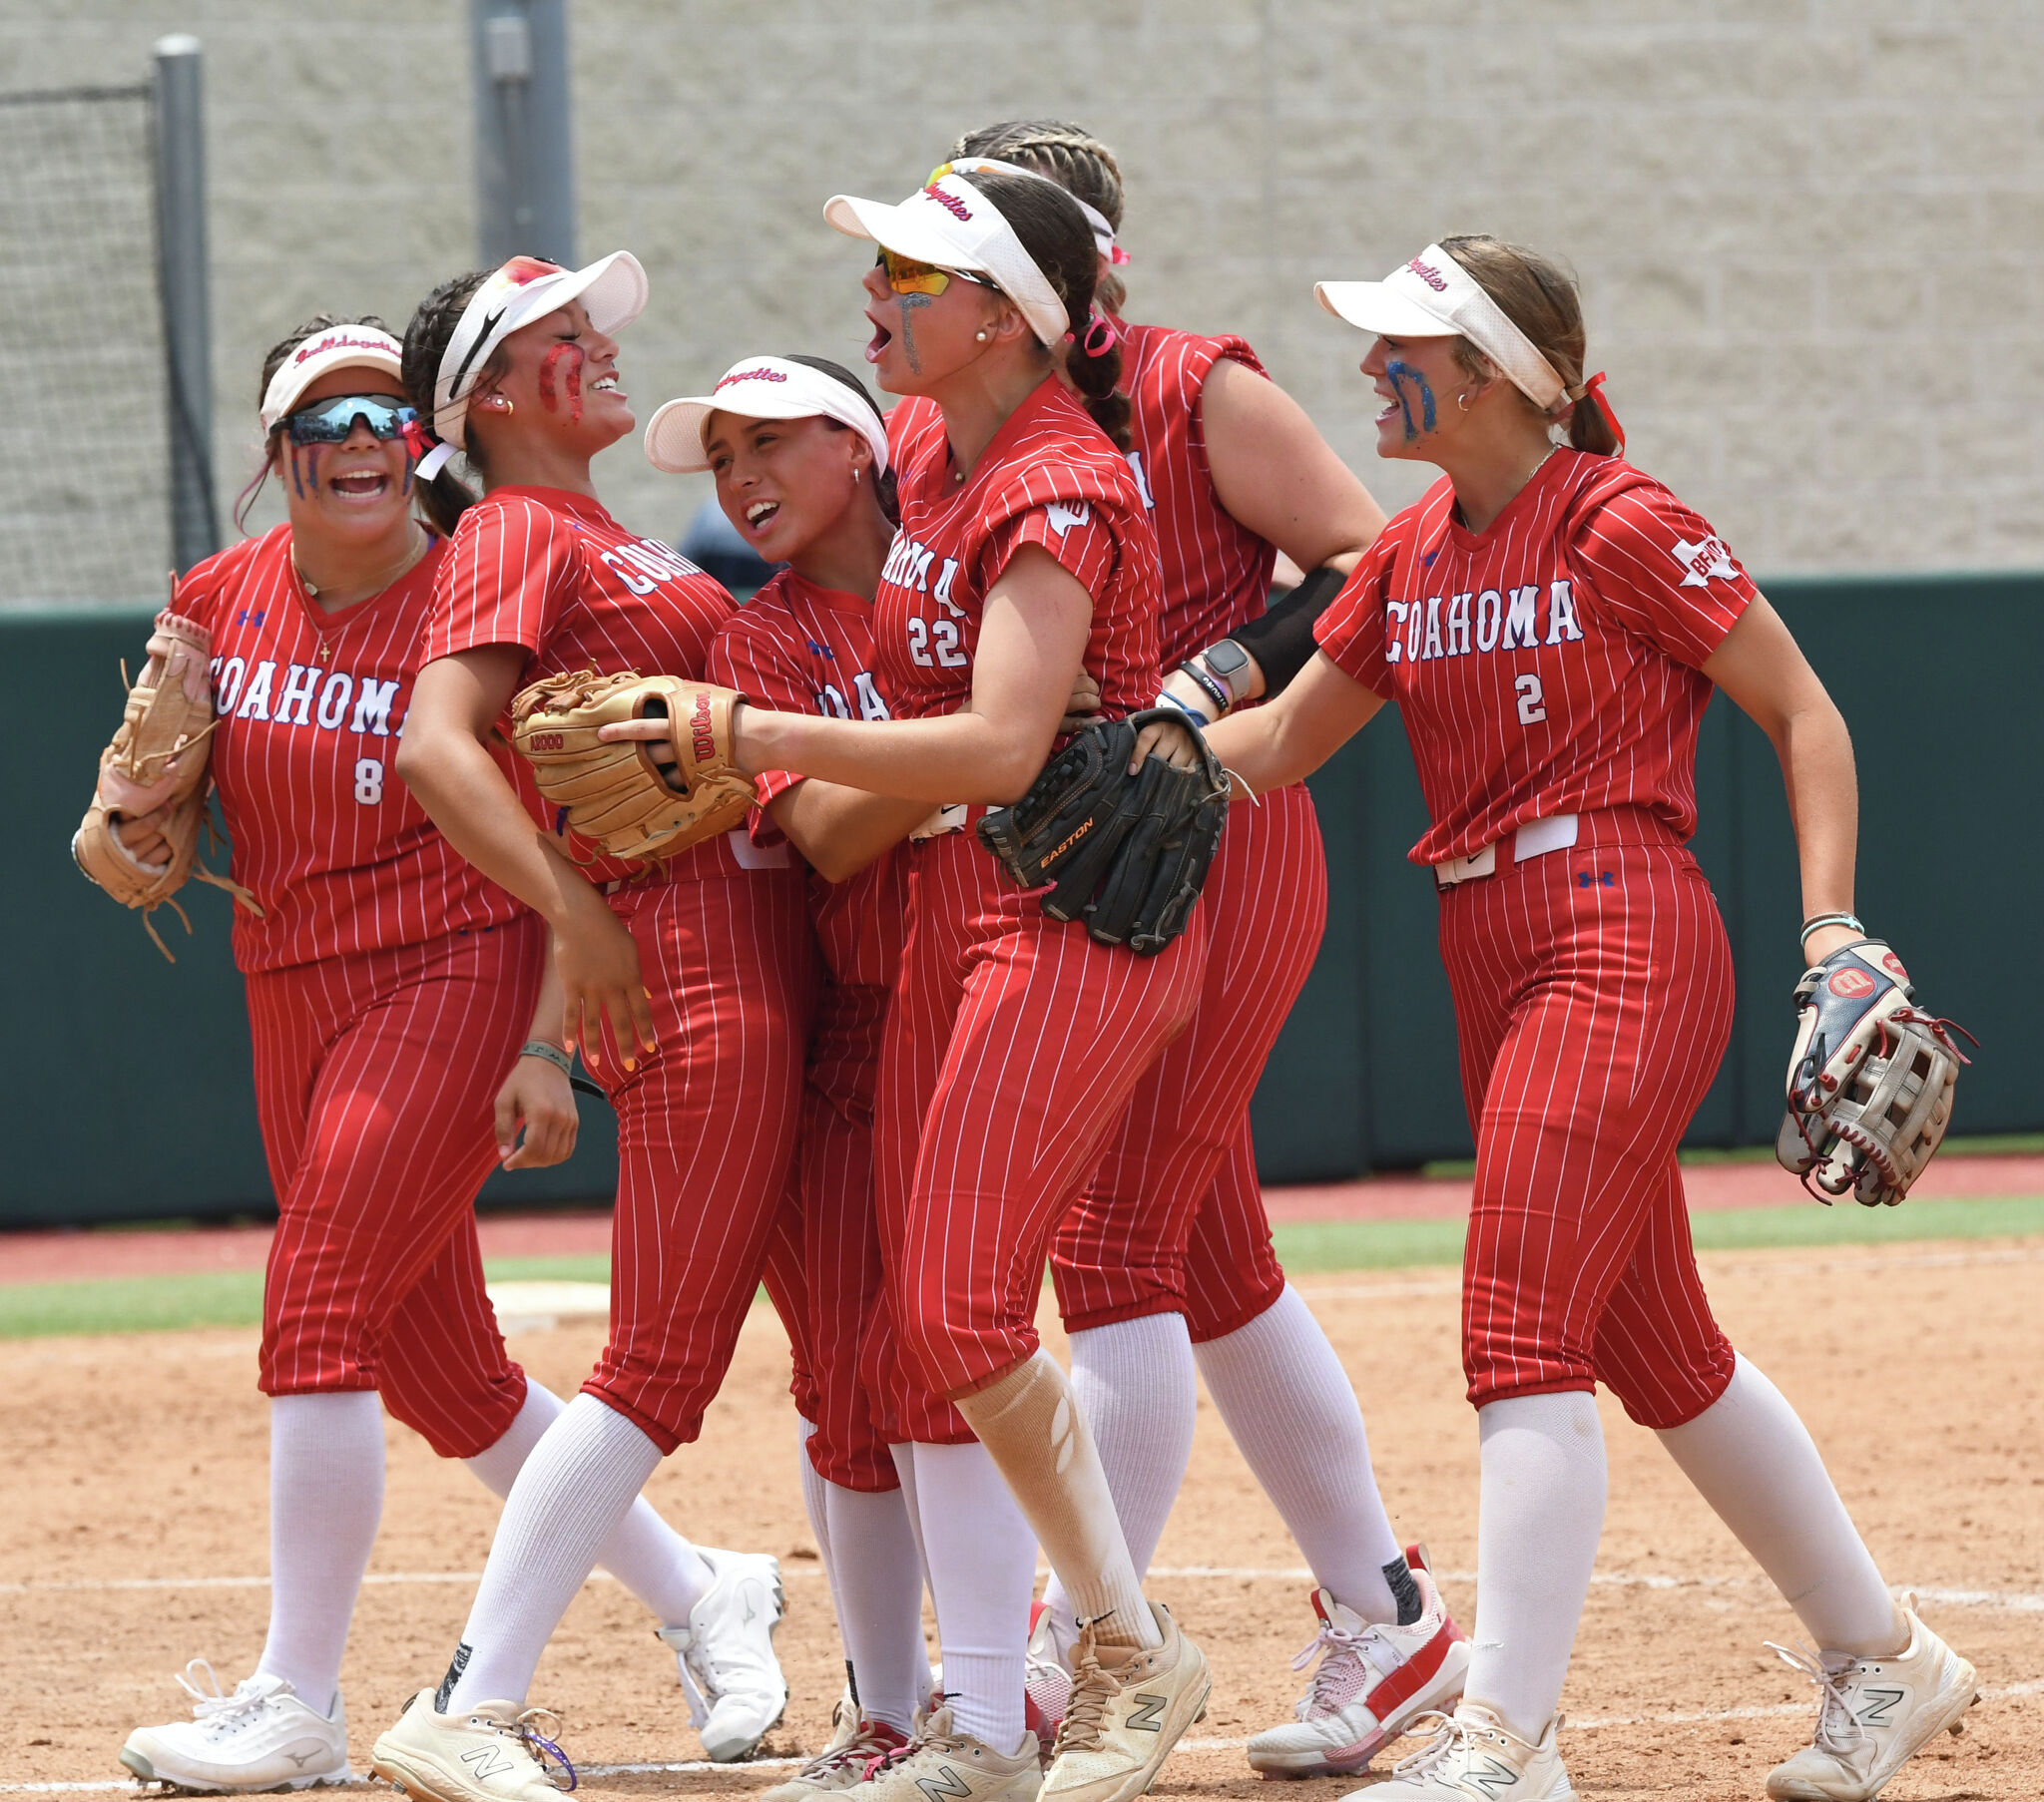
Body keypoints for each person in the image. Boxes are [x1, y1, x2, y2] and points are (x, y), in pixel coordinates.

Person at [1202, 235, 1978, 1802]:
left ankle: (1505, 1739)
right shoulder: (1415, 548)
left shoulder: (1620, 521)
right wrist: (1098, 744)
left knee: (1516, 1327)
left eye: (1402, 344)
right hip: (1489, 945)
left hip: (1619, 923)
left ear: (1487, 370)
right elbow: (1280, 742)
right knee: (1657, 1343)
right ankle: (1884, 1653)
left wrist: (1833, 931)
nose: (1370, 369)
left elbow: (1802, 709)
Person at [104, 317, 745, 1793]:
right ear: (277, 457)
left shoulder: (471, 592)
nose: (359, 444)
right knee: (437, 1364)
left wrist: (542, 1045)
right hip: (290, 982)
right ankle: (702, 1592)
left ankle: (294, 1698)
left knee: (316, 1300)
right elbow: (152, 803)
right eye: (322, 422)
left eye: (383, 415)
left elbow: (542, 829)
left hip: (454, 964)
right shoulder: (218, 593)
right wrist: (131, 821)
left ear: (423, 438)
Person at [643, 170, 1215, 1802]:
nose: (878, 290)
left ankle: (1120, 1644)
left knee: (962, 1305)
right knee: (925, 1323)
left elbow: (999, 744)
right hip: (957, 905)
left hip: (1061, 906)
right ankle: (980, 1712)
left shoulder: (1062, 474)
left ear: (1000, 314)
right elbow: (868, 796)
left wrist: (750, 733)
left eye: (912, 268)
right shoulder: (930, 459)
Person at [918, 122, 1471, 1778]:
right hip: (1058, 849)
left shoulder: (1188, 384)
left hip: (1201, 826)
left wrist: (1220, 671)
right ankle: (1390, 1615)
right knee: (1205, 1249)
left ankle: (1076, 1653)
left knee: (1120, 1247)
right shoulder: (955, 426)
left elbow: (1376, 556)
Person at [363, 255, 813, 1802]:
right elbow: (436, 743)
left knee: (854, 1342)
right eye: (566, 339)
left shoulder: (589, 529)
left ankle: (942, 1675)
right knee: (662, 1359)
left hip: (731, 936)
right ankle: (470, 1698)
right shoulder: (513, 525)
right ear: (491, 397)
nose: (601, 350)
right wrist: (574, 911)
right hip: (687, 948)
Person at [644, 353, 938, 1793]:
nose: (740, 477)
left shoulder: (952, 580)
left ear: (860, 445)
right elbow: (823, 831)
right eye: (720, 459)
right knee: (851, 1379)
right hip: (846, 1031)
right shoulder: (753, 646)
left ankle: (1038, 1662)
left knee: (971, 1349)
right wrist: (978, 748)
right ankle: (893, 1705)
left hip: (993, 1001)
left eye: (770, 442)